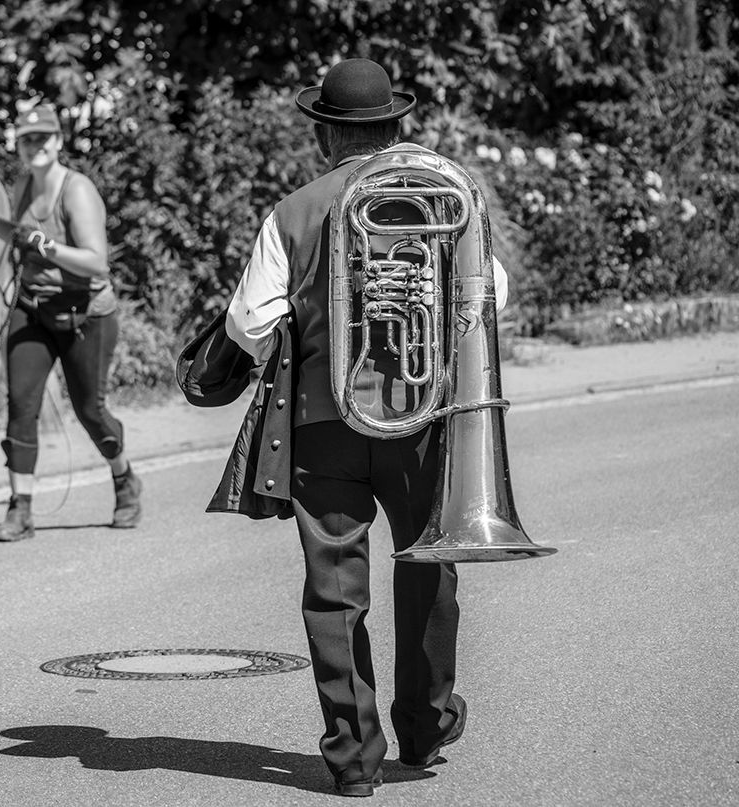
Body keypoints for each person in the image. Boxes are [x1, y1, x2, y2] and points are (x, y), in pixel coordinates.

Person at [217, 59, 510, 797]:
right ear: (394, 123)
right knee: (428, 569)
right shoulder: (444, 191)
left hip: (323, 425)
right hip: (422, 416)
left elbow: (249, 325)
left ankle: (352, 759)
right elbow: (492, 295)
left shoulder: (294, 209)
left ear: (324, 134)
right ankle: (426, 721)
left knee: (334, 592)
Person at [0, 103, 141, 542]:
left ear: (58, 141)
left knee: (89, 411)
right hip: (33, 309)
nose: (34, 146)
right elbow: (21, 234)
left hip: (85, 314)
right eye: (26, 139)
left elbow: (96, 263)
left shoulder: (76, 191)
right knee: (21, 405)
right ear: (19, 146)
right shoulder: (22, 185)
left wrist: (45, 245)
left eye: (42, 138)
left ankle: (124, 477)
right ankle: (20, 510)